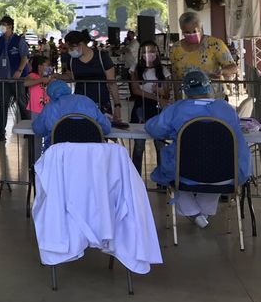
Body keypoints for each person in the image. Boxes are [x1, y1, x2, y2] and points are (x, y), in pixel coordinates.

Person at [145, 70, 251, 229]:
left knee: (178, 179)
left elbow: (154, 129)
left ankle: (195, 214)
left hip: (186, 174)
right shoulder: (226, 109)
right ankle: (201, 214)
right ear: (209, 88)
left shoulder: (177, 109)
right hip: (226, 175)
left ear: (185, 90)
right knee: (214, 167)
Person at [61, 30, 124, 128]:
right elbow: (70, 77)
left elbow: (112, 83)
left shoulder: (102, 57)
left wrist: (117, 106)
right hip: (80, 105)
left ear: (81, 44)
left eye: (71, 47)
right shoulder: (71, 60)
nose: (69, 51)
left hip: (101, 103)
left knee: (102, 132)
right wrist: (57, 76)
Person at [169, 11, 238, 99]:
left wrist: (222, 71)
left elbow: (233, 68)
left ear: (201, 27)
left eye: (195, 31)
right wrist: (177, 99)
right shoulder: (175, 48)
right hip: (187, 98)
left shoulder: (214, 44)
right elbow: (175, 76)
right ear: (182, 31)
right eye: (187, 32)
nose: (191, 34)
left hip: (213, 96)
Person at [129, 41, 171, 173]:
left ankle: (162, 180)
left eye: (152, 51)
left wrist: (159, 92)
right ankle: (136, 177)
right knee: (139, 146)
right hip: (141, 106)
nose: (149, 54)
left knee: (160, 144)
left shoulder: (163, 70)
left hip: (158, 108)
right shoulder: (135, 68)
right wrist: (156, 96)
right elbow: (135, 90)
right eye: (146, 52)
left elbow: (166, 92)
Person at [33, 80, 111, 149]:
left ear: (50, 94)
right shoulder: (86, 100)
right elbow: (106, 129)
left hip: (60, 156)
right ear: (67, 89)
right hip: (90, 156)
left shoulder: (50, 107)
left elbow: (38, 130)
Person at [0, 16, 30, 141]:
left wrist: (19, 71)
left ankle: (28, 130)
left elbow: (25, 57)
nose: (2, 26)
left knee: (22, 104)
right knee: (3, 105)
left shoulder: (19, 40)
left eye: (4, 24)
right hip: (2, 79)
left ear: (10, 26)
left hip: (16, 79)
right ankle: (0, 133)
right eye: (1, 24)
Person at [24, 56, 53, 131]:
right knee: (37, 130)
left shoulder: (50, 77)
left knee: (49, 129)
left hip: (48, 108)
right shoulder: (33, 75)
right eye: (47, 65)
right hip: (35, 108)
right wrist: (41, 80)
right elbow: (25, 83)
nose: (49, 67)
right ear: (39, 66)